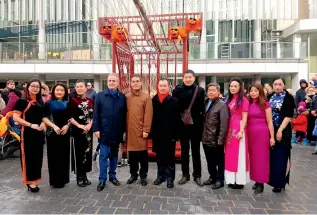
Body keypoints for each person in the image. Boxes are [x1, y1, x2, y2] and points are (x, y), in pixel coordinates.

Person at [93, 73, 127, 192]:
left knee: (113, 155)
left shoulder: (122, 97)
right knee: (103, 156)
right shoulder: (100, 96)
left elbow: (124, 116)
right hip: (104, 132)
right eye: (109, 80)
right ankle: (102, 179)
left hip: (117, 132)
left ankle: (112, 176)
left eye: (114, 81)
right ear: (107, 82)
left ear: (118, 82)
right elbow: (96, 114)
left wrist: (123, 131)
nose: (111, 82)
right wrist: (96, 129)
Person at [172, 70, 205, 186]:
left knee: (196, 152)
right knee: (184, 152)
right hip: (182, 126)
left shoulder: (200, 90)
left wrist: (201, 127)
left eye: (190, 77)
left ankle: (197, 175)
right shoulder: (176, 90)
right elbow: (175, 110)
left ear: (194, 78)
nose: (188, 79)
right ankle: (185, 175)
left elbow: (202, 110)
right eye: (186, 77)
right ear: (183, 78)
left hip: (195, 126)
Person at [13, 79, 46, 193]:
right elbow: (16, 118)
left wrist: (42, 124)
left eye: (38, 86)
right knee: (28, 158)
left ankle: (35, 179)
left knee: (37, 158)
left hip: (39, 134)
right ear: (28, 87)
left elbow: (43, 117)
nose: (35, 88)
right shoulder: (22, 101)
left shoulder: (40, 101)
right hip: (27, 134)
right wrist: (31, 125)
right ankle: (30, 181)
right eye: (33, 86)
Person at [150, 79, 180, 189]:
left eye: (164, 86)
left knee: (170, 158)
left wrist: (176, 135)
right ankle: (160, 176)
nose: (162, 88)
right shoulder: (153, 100)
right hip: (158, 134)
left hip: (170, 134)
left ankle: (170, 178)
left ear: (169, 87)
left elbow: (177, 120)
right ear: (158, 87)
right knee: (159, 157)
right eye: (161, 86)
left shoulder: (174, 101)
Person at [267, 76, 295, 193]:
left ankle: (279, 183)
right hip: (269, 129)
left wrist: (280, 130)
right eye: (275, 84)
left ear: (284, 85)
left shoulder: (288, 97)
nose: (277, 86)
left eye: (280, 84)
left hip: (282, 130)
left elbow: (289, 115)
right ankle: (271, 180)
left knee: (280, 157)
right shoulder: (269, 96)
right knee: (271, 157)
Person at [247, 84, 275, 194]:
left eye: (255, 91)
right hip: (250, 133)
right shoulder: (248, 103)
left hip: (262, 134)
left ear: (260, 92)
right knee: (253, 158)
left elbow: (270, 122)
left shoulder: (265, 104)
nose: (253, 93)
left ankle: (261, 183)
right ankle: (256, 180)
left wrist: (272, 137)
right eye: (251, 91)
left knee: (261, 158)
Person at [126, 74, 153, 186]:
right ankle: (133, 174)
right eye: (133, 81)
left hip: (141, 130)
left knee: (143, 155)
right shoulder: (127, 97)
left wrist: (146, 129)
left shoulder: (146, 97)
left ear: (141, 83)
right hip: (130, 130)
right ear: (131, 83)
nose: (135, 83)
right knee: (132, 155)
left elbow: (148, 114)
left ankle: (143, 175)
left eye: (137, 81)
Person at [42, 84, 70, 188]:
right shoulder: (48, 103)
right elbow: (44, 117)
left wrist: (67, 126)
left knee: (64, 156)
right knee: (54, 157)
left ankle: (63, 179)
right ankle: (55, 180)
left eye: (62, 90)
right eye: (57, 90)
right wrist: (54, 126)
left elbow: (71, 117)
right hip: (52, 133)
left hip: (64, 133)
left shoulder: (68, 103)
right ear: (53, 91)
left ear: (65, 92)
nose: (59, 92)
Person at [202, 83, 229, 189]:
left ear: (218, 92)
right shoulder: (206, 102)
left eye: (213, 90)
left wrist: (220, 139)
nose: (211, 92)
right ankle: (212, 177)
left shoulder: (222, 105)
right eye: (209, 90)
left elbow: (224, 124)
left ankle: (220, 180)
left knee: (219, 161)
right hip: (206, 137)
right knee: (209, 160)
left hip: (216, 138)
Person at [225, 77, 250, 189]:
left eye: (235, 86)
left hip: (239, 127)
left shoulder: (243, 100)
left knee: (240, 154)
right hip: (230, 128)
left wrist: (241, 130)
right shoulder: (229, 99)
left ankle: (239, 180)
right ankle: (231, 179)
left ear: (240, 87)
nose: (233, 88)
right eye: (231, 86)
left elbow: (245, 116)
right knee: (230, 154)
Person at [68, 80, 94, 187]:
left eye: (81, 86)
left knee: (87, 153)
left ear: (86, 88)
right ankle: (79, 176)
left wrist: (90, 125)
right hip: (78, 131)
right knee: (78, 154)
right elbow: (69, 117)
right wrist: (79, 126)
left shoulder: (91, 100)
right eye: (77, 87)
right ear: (75, 89)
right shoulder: (72, 101)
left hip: (88, 131)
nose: (79, 88)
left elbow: (94, 115)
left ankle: (85, 175)